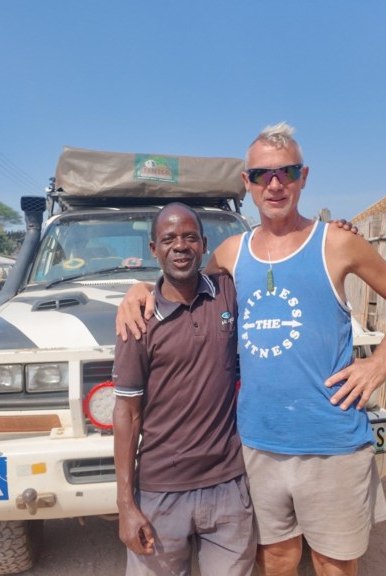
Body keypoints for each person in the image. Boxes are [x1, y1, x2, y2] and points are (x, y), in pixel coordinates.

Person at [117, 123, 386, 576]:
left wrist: (378, 365)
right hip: (257, 447)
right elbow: (180, 280)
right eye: (263, 175)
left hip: (332, 443)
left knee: (333, 563)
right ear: (248, 184)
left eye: (287, 172)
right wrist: (139, 288)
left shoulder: (336, 242)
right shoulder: (230, 252)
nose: (276, 184)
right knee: (276, 559)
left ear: (303, 177)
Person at [112, 203, 255, 576]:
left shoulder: (227, 294)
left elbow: (279, 252)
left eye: (190, 237)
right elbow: (127, 412)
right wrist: (125, 504)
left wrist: (334, 227)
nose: (180, 246)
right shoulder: (138, 320)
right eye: (169, 239)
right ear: (153, 249)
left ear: (204, 244)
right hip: (160, 493)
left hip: (228, 487)